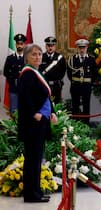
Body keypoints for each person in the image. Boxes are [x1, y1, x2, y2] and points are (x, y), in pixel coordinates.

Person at [18, 44, 58, 203]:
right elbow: (25, 97)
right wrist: (34, 113)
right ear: (27, 57)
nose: (37, 57)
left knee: (37, 159)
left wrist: (52, 111)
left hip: (43, 121)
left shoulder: (38, 73)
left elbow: (47, 95)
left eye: (39, 54)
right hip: (33, 123)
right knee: (32, 159)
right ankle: (30, 194)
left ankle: (37, 191)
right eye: (34, 54)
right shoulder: (27, 74)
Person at [67, 39, 97, 124]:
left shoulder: (91, 59)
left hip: (86, 87)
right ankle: (75, 125)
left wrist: (90, 84)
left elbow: (94, 73)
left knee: (86, 106)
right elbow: (69, 73)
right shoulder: (72, 59)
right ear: (77, 48)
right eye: (80, 47)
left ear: (87, 47)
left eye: (84, 47)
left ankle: (86, 124)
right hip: (75, 86)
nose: (82, 50)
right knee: (75, 106)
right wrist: (74, 82)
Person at [39, 36, 67, 104]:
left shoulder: (60, 58)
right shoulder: (41, 57)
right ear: (45, 46)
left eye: (52, 45)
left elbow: (63, 71)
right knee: (45, 105)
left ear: (55, 46)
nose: (50, 47)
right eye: (48, 45)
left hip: (56, 86)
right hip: (44, 86)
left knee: (56, 106)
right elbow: (39, 71)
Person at [3, 33, 27, 114]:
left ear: (24, 44)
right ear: (15, 45)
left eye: (21, 43)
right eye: (18, 44)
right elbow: (5, 72)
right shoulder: (10, 58)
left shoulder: (27, 59)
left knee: (25, 111)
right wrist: (12, 80)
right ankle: (15, 127)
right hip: (14, 89)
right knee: (14, 111)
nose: (19, 45)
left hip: (25, 89)